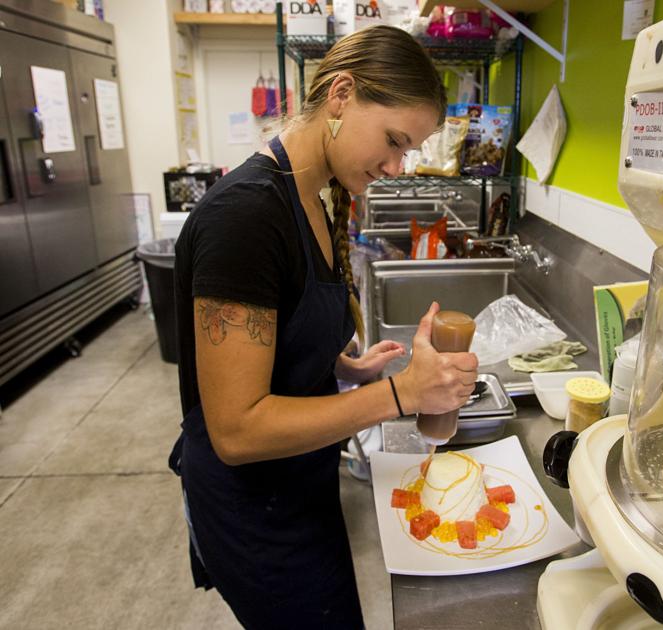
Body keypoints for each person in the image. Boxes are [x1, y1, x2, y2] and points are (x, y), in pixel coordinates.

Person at [167, 26, 478, 629]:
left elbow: (279, 323)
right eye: (393, 141)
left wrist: (338, 366)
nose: (396, 166)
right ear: (340, 95)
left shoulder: (316, 193)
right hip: (255, 511)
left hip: (301, 479)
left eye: (408, 149)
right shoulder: (247, 219)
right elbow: (237, 429)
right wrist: (397, 395)